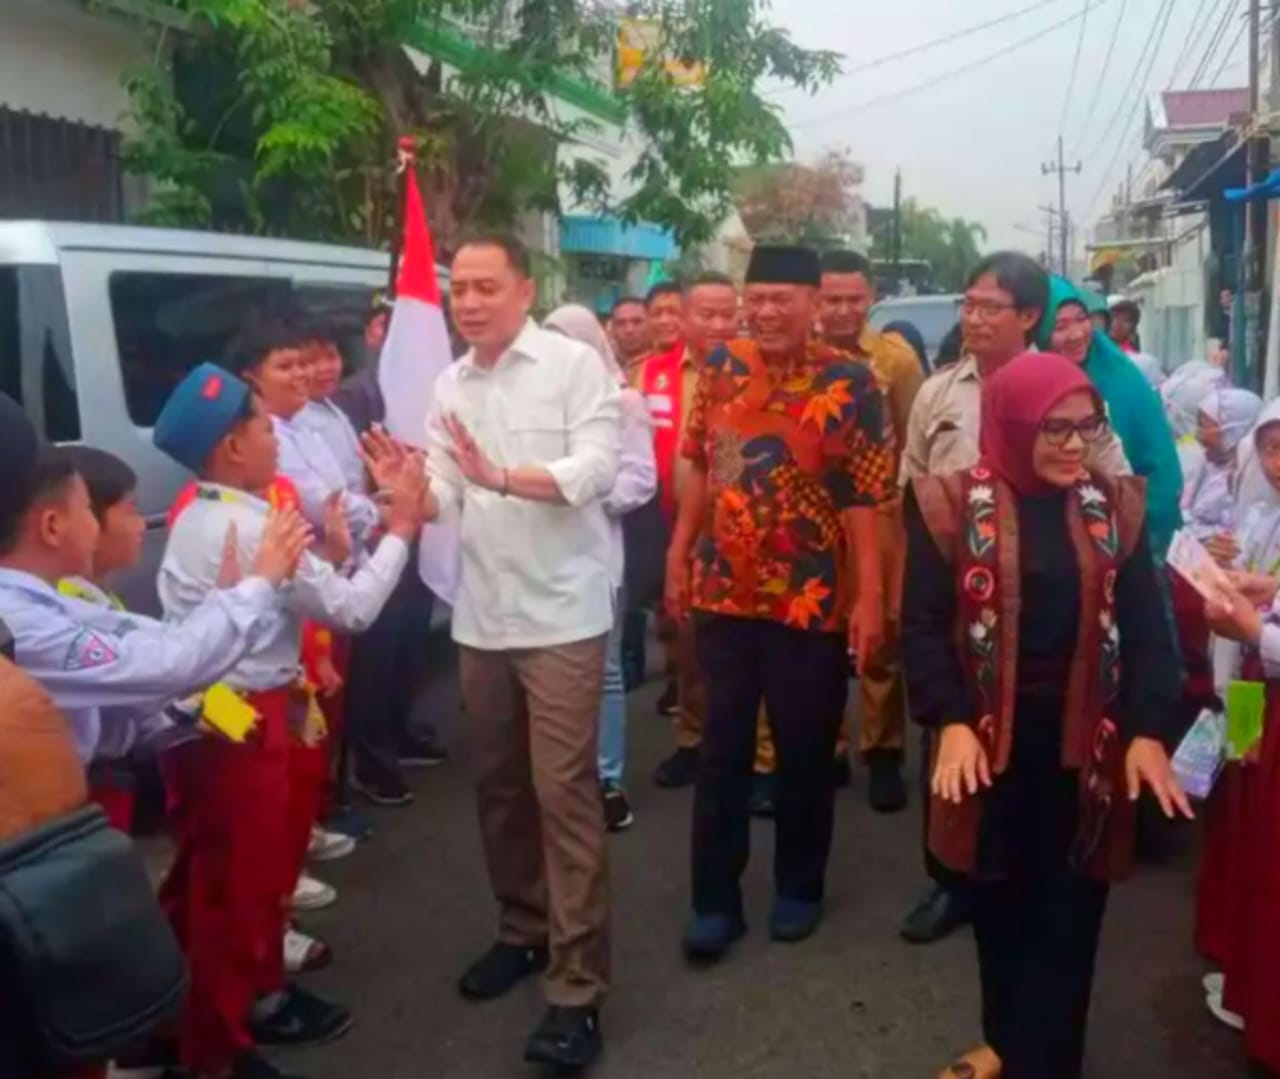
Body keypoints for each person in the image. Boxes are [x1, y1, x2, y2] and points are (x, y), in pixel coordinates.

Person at [903, 351, 1188, 1079]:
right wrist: (952, 718)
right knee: (996, 910)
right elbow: (925, 626)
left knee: (1068, 922)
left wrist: (1149, 730)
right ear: (1012, 421)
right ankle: (1006, 1041)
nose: (1073, 444)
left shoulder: (1113, 509)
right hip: (989, 749)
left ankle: (1044, 1060)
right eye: (1053, 427)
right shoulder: (946, 503)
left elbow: (1150, 630)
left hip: (1084, 750)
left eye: (1086, 427)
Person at [153, 362, 426, 1079]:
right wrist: (401, 529)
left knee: (211, 877)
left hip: (213, 712)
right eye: (259, 424)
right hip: (241, 722)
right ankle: (215, 1049)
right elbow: (353, 607)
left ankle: (194, 1013)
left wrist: (334, 553)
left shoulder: (199, 513)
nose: (275, 435)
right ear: (230, 449)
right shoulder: (252, 521)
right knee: (237, 889)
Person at [417, 234, 619, 1072]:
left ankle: (577, 989)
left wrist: (501, 475)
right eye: (458, 288)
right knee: (499, 788)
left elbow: (598, 469)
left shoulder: (573, 366)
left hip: (564, 616)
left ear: (524, 289)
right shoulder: (447, 382)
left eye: (484, 286)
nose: (467, 301)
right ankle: (522, 929)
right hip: (483, 617)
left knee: (561, 793)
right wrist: (405, 495)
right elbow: (440, 486)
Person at [898, 252, 1131, 947]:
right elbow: (912, 482)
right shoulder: (940, 393)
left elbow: (1113, 485)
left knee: (1047, 818)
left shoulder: (1074, 398)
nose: (972, 317)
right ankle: (954, 879)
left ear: (1029, 315)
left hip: (1052, 592)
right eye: (967, 303)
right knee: (954, 758)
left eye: (988, 306)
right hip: (961, 604)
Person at [666, 243, 891, 959]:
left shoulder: (852, 383)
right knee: (722, 749)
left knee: (803, 750)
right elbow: (711, 465)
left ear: (814, 304)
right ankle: (714, 898)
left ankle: (799, 884)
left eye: (780, 299)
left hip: (811, 597)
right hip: (727, 591)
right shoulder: (724, 369)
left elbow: (864, 500)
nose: (764, 311)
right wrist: (681, 550)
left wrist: (870, 598)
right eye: (754, 297)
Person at [810, 247, 925, 813]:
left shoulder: (895, 361)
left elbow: (913, 440)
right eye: (831, 299)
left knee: (881, 632)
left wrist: (904, 526)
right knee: (817, 631)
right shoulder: (795, 359)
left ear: (872, 298)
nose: (842, 310)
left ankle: (882, 748)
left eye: (854, 299)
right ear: (814, 299)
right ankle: (825, 745)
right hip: (808, 514)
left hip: (877, 509)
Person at [543, 303, 657, 833]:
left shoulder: (622, 401)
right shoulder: (536, 402)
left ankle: (606, 777)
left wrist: (581, 493)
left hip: (595, 556)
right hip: (539, 556)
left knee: (604, 671)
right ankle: (555, 777)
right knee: (545, 669)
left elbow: (640, 480)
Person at [1199, 406, 1280, 1071]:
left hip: (1264, 671)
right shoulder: (1261, 511)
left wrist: (1253, 627)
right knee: (1244, 816)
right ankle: (1239, 961)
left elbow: (1259, 629)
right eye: (1271, 448)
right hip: (1256, 687)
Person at [646, 272, 742, 790]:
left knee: (741, 650)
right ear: (682, 319)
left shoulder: (753, 373)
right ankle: (693, 739)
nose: (719, 325)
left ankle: (751, 752)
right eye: (706, 314)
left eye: (729, 313)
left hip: (740, 533)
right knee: (687, 646)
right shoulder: (650, 376)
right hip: (671, 532)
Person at [1037, 275, 1183, 556]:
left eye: (1081, 319)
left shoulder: (1119, 378)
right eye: (1060, 326)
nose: (1077, 334)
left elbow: (1159, 470)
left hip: (1133, 526)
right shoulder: (1033, 381)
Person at [607, 296, 652, 386]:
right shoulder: (604, 366)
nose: (629, 330)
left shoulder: (666, 366)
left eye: (637, 322)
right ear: (612, 329)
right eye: (621, 323)